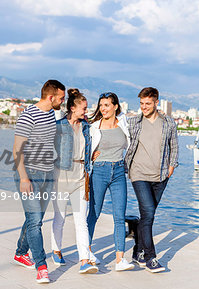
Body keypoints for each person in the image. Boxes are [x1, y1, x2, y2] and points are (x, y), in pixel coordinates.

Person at [12, 79, 65, 284]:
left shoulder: (51, 113)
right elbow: (17, 149)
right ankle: (41, 266)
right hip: (29, 174)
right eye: (61, 97)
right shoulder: (28, 116)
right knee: (35, 222)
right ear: (50, 97)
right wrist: (24, 177)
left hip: (47, 173)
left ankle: (20, 252)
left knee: (35, 219)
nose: (63, 100)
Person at [125, 87, 179, 273]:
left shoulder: (168, 123)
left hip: (161, 175)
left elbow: (174, 146)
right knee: (148, 213)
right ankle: (150, 257)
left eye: (148, 103)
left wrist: (171, 167)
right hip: (139, 174)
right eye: (141, 103)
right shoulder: (133, 122)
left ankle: (137, 250)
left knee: (147, 216)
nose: (144, 107)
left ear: (157, 102)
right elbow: (114, 131)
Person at [51, 88, 98, 274]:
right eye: (83, 109)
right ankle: (56, 250)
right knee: (60, 218)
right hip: (61, 178)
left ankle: (84, 260)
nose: (86, 112)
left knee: (81, 221)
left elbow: (91, 145)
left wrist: (93, 154)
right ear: (72, 107)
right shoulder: (58, 126)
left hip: (80, 178)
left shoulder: (87, 127)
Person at [87, 92, 134, 272]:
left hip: (119, 172)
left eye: (107, 105)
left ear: (115, 106)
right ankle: (88, 251)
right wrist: (90, 156)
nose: (103, 109)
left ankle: (120, 259)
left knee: (119, 216)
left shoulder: (124, 123)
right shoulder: (94, 127)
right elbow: (83, 148)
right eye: (101, 105)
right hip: (99, 171)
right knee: (94, 213)